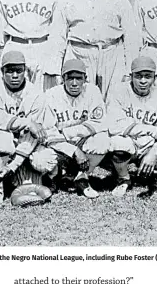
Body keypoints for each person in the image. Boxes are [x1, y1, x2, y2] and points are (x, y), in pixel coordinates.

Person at [44, 0, 139, 99]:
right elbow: (58, 37)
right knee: (81, 100)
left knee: (113, 100)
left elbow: (131, 37)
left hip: (111, 55)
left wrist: (130, 70)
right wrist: (55, 69)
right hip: (79, 53)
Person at [0, 51, 58, 206]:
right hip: (4, 144)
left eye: (19, 70)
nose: (15, 75)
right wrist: (27, 122)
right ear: (2, 72)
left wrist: (13, 166)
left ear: (25, 71)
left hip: (27, 146)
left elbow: (34, 134)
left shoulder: (36, 94)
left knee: (45, 160)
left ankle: (33, 177)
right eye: (10, 71)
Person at [107, 54, 157, 197]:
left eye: (147, 76)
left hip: (148, 146)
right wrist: (152, 130)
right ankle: (123, 178)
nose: (142, 80)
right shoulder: (119, 91)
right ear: (131, 76)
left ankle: (152, 175)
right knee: (118, 143)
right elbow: (114, 126)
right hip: (128, 142)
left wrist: (154, 152)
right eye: (138, 76)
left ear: (155, 77)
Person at [43, 59, 111, 199]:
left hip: (79, 140)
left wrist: (69, 132)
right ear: (63, 79)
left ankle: (81, 177)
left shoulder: (93, 91)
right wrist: (73, 150)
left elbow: (100, 123)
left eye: (78, 78)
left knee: (102, 141)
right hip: (59, 145)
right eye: (70, 78)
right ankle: (54, 176)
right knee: (42, 159)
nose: (74, 83)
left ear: (85, 79)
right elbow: (49, 133)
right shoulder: (51, 95)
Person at [0, 0, 60, 88]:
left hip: (42, 47)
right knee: (15, 95)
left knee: (43, 96)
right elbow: (0, 29)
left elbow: (57, 29)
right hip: (15, 45)